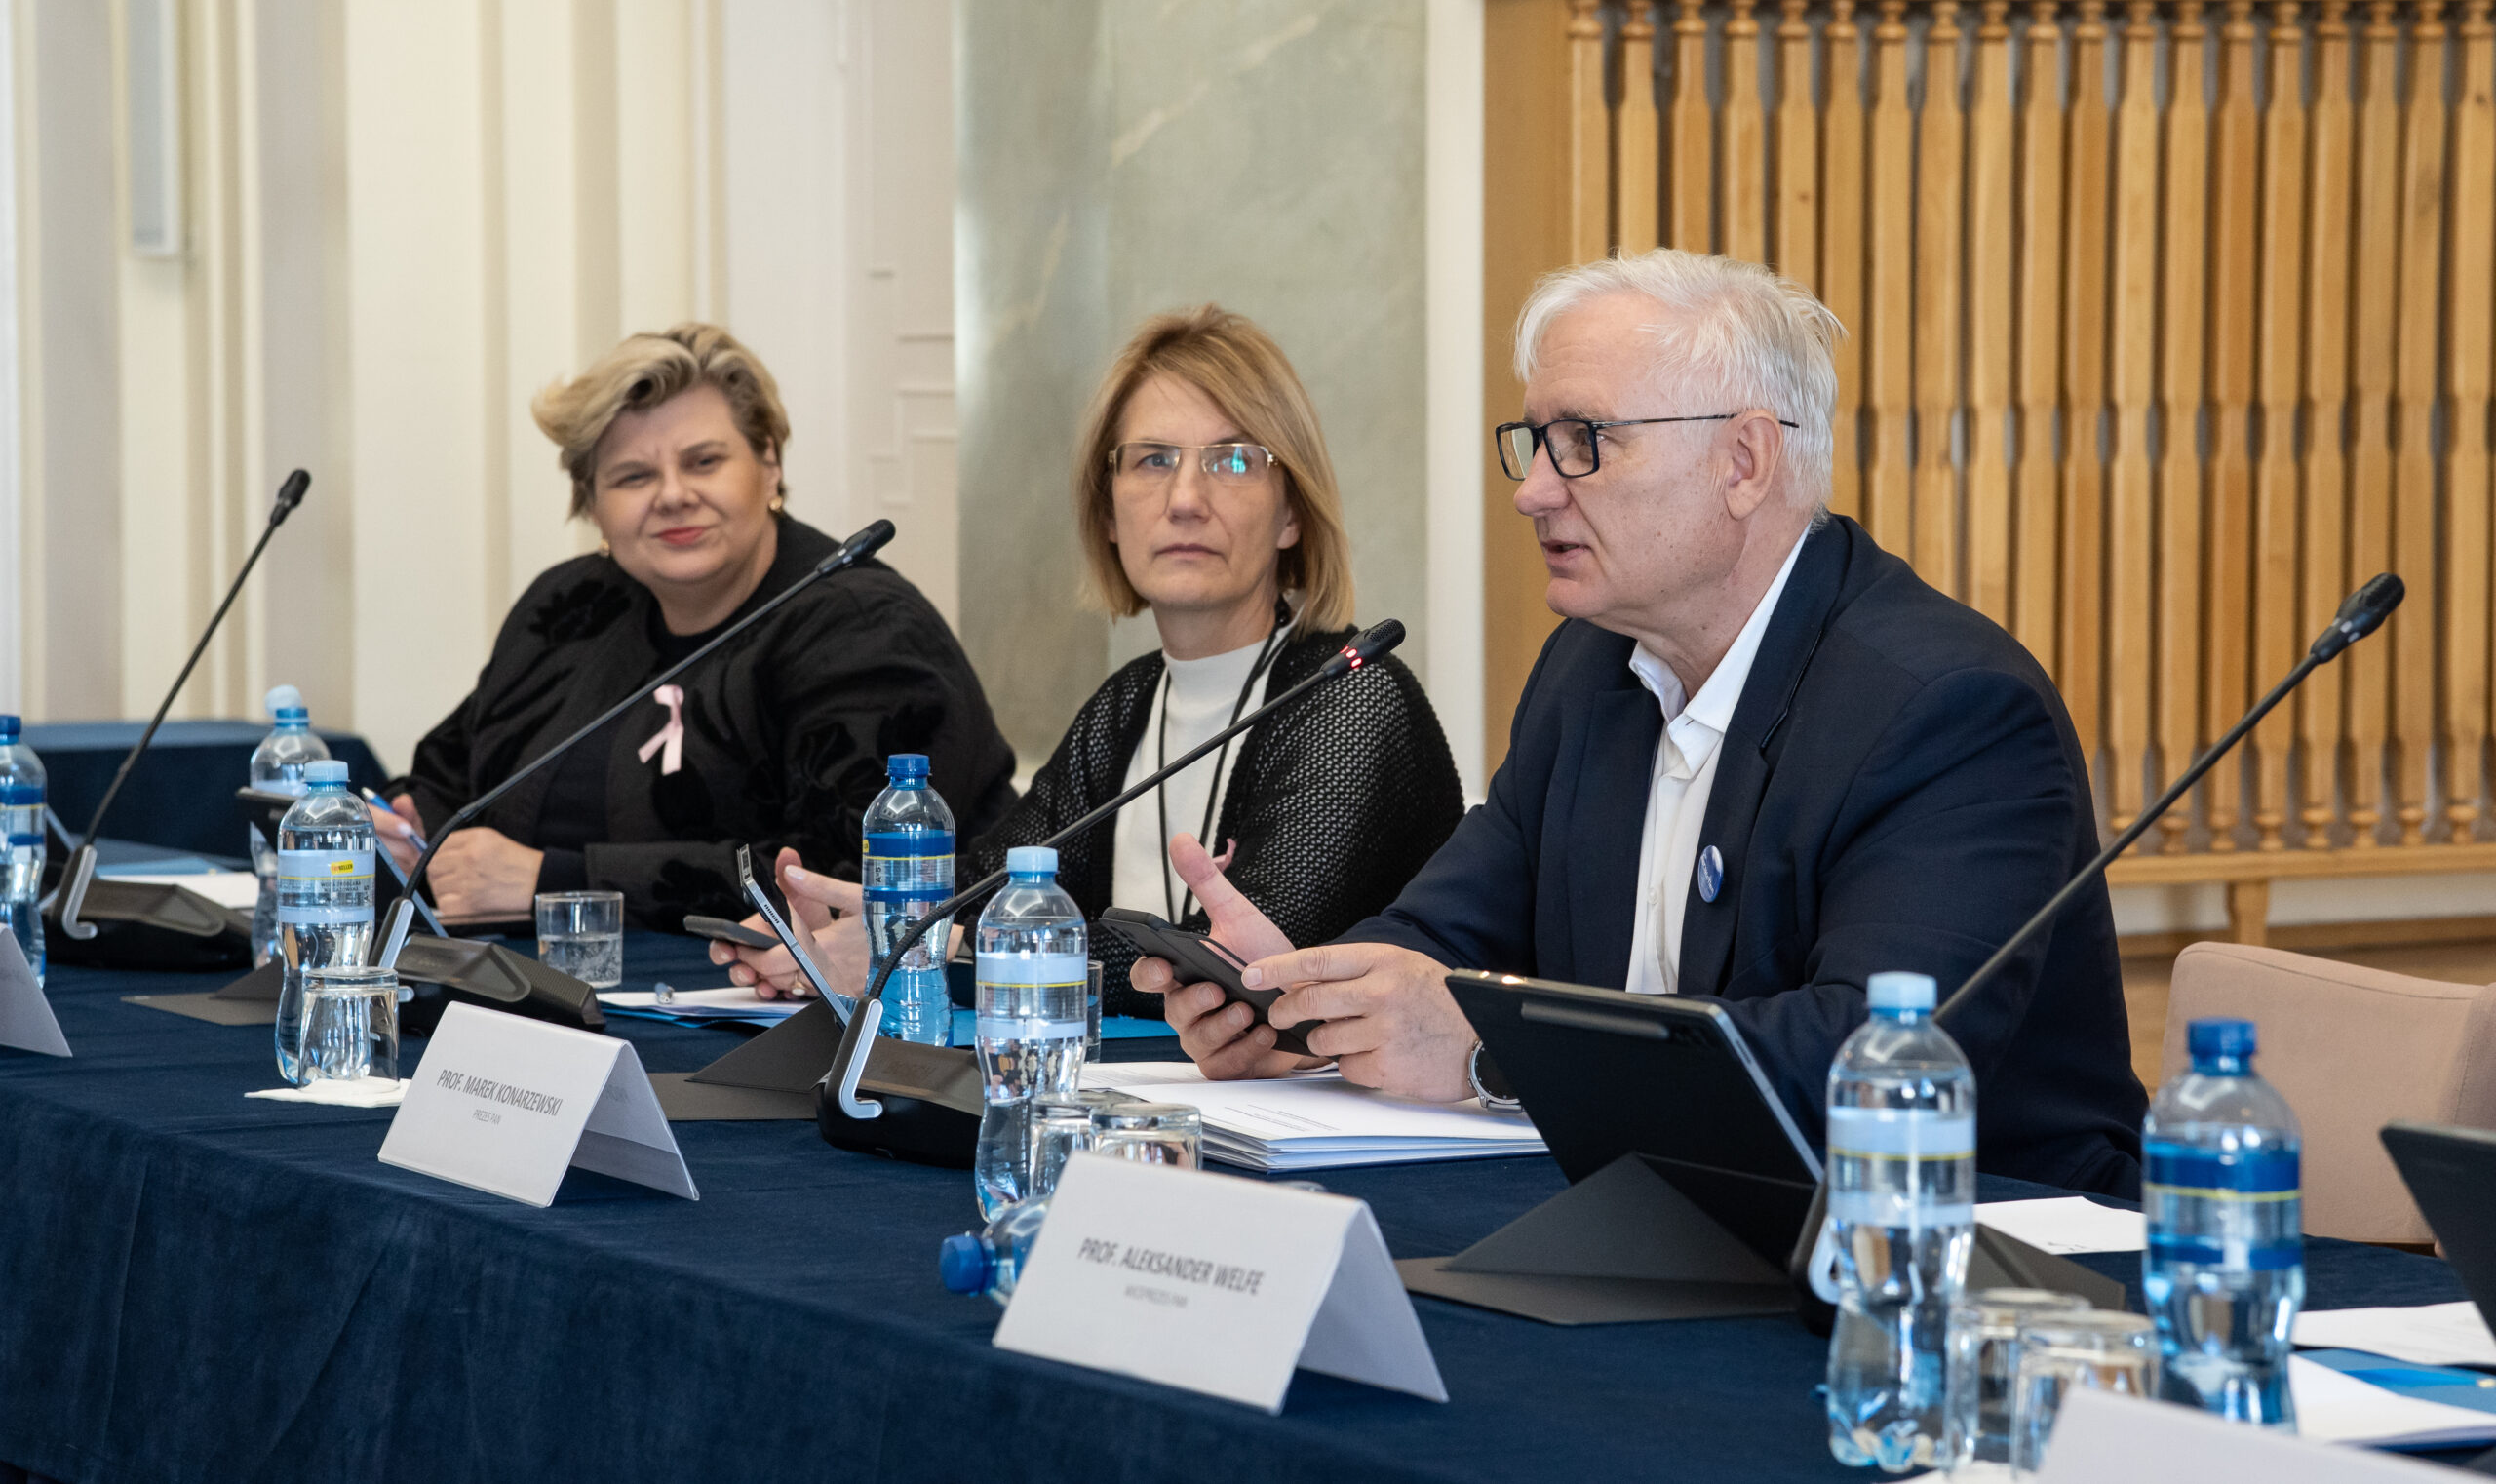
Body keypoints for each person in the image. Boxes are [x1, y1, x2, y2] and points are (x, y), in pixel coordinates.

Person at [1133, 251, 2147, 1197]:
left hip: (1968, 1247)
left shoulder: (1947, 707)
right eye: (1535, 444)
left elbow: (1869, 1063)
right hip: (1661, 1213)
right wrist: (1301, 999)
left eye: (1584, 443)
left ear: (1743, 460)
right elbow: (1442, 932)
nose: (1533, 492)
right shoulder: (1592, 669)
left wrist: (1491, 1054)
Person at [713, 305, 1464, 1013]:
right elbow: (994, 882)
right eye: (1153, 459)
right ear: (1107, 510)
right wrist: (853, 928)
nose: (1185, 499)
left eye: (1233, 459)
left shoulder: (1354, 700)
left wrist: (943, 945)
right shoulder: (1127, 704)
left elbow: (1244, 957)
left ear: (1292, 512)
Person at [381, 323, 1018, 930]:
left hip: (792, 996)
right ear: (592, 504)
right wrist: (414, 832)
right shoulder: (571, 606)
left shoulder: (863, 628)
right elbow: (449, 774)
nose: (673, 495)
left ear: (769, 463)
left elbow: (847, 874)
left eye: (704, 461)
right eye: (634, 476)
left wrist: (556, 881)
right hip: (551, 982)